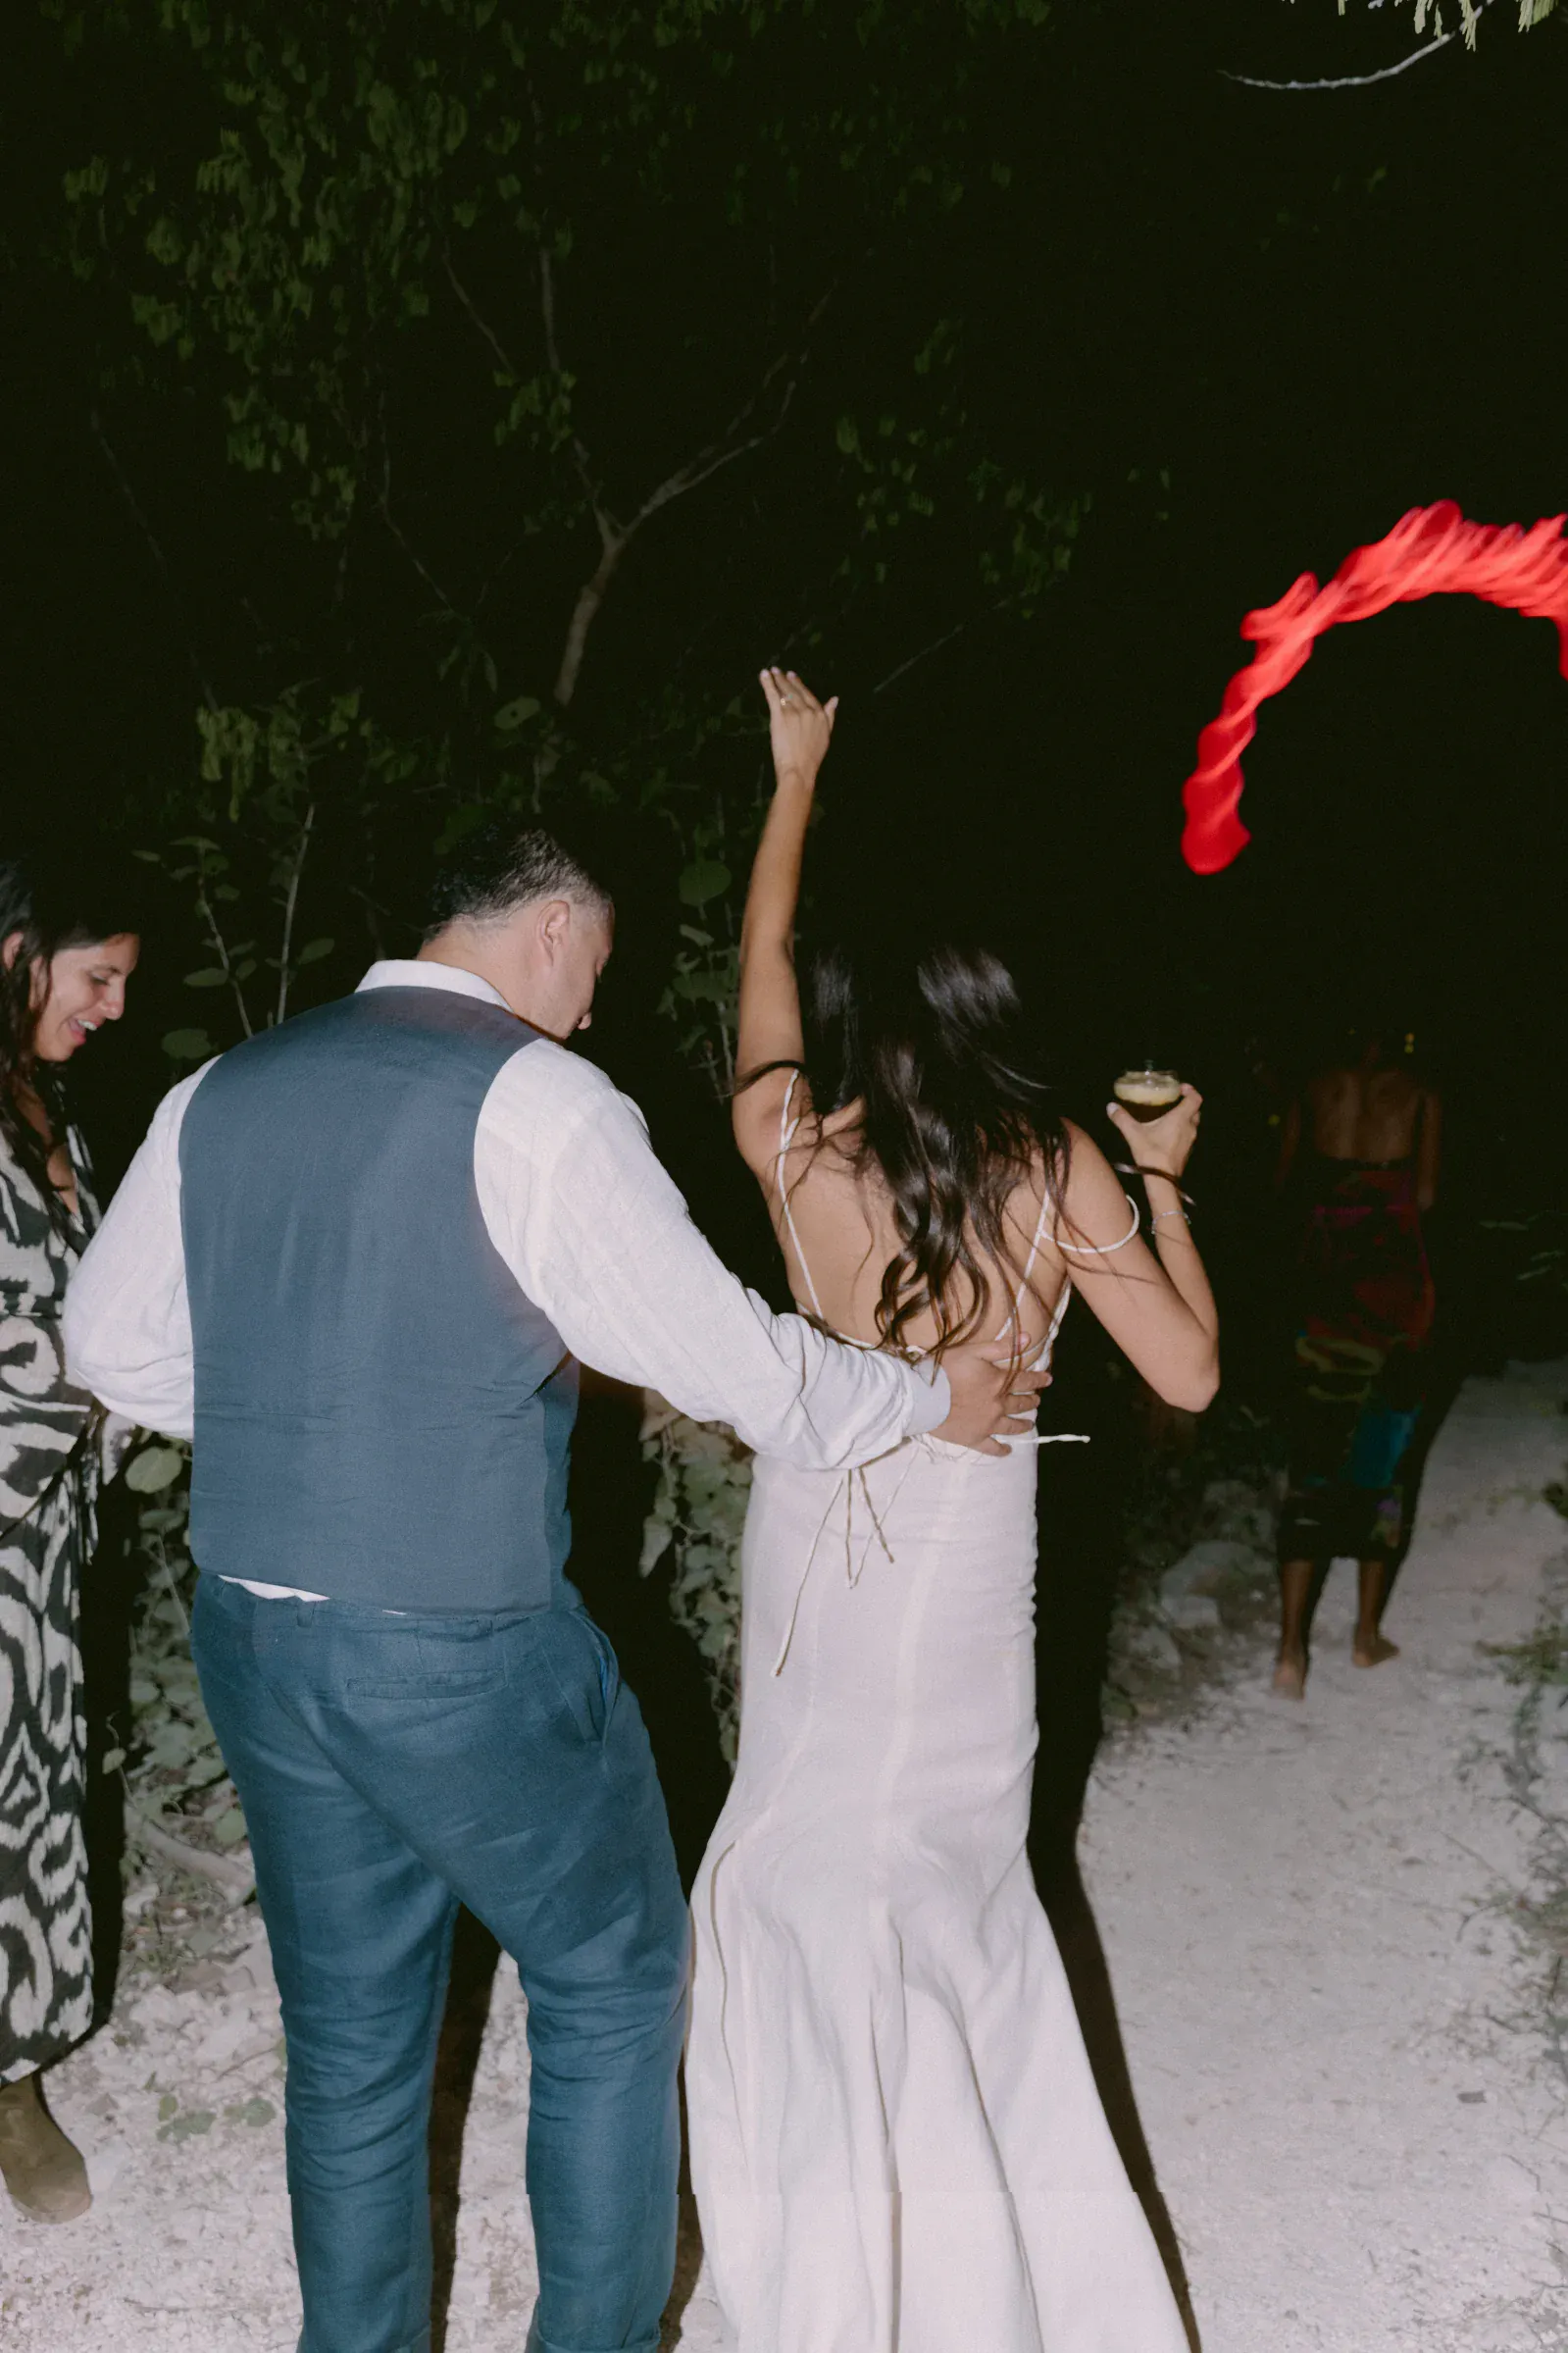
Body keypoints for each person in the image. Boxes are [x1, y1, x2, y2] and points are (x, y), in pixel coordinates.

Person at [63, 823, 1042, 2353]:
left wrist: (306, 1411)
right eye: (591, 961)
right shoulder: (538, 1099)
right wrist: (923, 1399)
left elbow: (108, 1347)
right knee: (609, 1973)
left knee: (348, 2044)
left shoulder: (219, 1087)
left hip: (254, 1634)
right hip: (456, 1644)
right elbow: (723, 1356)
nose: (591, 1004)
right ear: (544, 927)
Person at [683, 670, 1221, 2353]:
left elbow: (754, 979)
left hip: (812, 1537)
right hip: (964, 1569)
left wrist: (792, 781)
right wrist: (1161, 1172)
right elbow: (1191, 1373)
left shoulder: (786, 1139)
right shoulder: (1050, 1160)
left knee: (790, 1865)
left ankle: (819, 2276)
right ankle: (981, 2275)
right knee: (943, 1892)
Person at [0, 848, 139, 2223]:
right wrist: (104, 1364)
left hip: (35, 1541)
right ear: (18, 951)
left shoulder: (51, 1104)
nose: (108, 1008)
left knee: (32, 1796)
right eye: (95, 977)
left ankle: (11, 2079)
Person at [1272, 1021, 1440, 1699]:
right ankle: (1364, 1638)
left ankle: (1289, 1654)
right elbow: (1425, 1196)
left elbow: (1282, 1184)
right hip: (1390, 1281)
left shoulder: (1311, 1090)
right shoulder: (1421, 1093)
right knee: (1383, 1455)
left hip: (1322, 1280)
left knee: (1309, 1460)